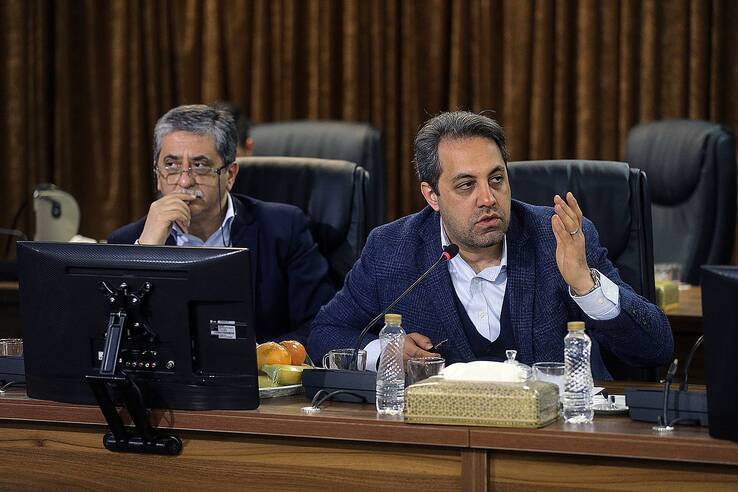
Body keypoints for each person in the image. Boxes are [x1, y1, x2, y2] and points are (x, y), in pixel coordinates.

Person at [308, 111, 673, 379]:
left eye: (496, 179)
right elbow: (325, 334)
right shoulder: (392, 249)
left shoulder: (558, 238)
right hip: (444, 443)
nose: (487, 198)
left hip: (556, 438)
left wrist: (586, 286)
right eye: (466, 185)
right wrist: (384, 352)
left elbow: (656, 348)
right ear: (432, 195)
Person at [108, 104, 335, 344]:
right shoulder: (126, 243)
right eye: (171, 165)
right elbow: (112, 341)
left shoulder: (283, 229)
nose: (184, 181)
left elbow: (320, 325)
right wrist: (145, 252)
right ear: (157, 175)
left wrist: (262, 357)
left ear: (231, 175)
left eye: (200, 165)